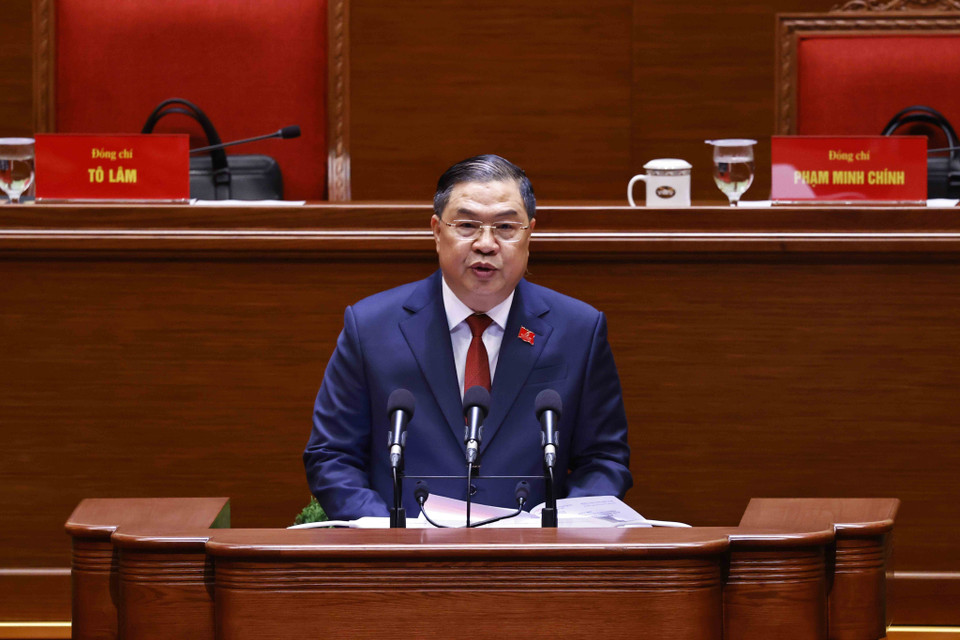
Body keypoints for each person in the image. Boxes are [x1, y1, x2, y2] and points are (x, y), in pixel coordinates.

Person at [304, 154, 632, 520]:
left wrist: (558, 529)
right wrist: (385, 533)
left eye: (506, 227)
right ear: (435, 229)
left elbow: (604, 460)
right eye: (467, 225)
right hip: (403, 560)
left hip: (532, 561)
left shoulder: (579, 329)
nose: (486, 244)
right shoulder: (370, 326)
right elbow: (332, 455)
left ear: (530, 234)